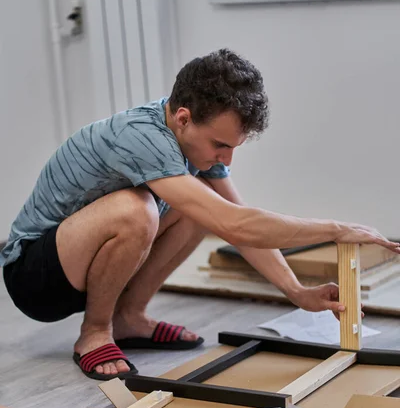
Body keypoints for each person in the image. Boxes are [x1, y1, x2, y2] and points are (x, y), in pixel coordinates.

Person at [1, 49, 399, 381]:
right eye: (220, 144)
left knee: (197, 208)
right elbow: (237, 224)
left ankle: (128, 318)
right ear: (184, 118)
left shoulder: (190, 144)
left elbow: (237, 221)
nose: (226, 158)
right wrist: (336, 229)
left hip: (78, 264)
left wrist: (297, 292)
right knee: (134, 211)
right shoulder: (142, 137)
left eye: (234, 147)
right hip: (34, 275)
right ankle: (95, 332)